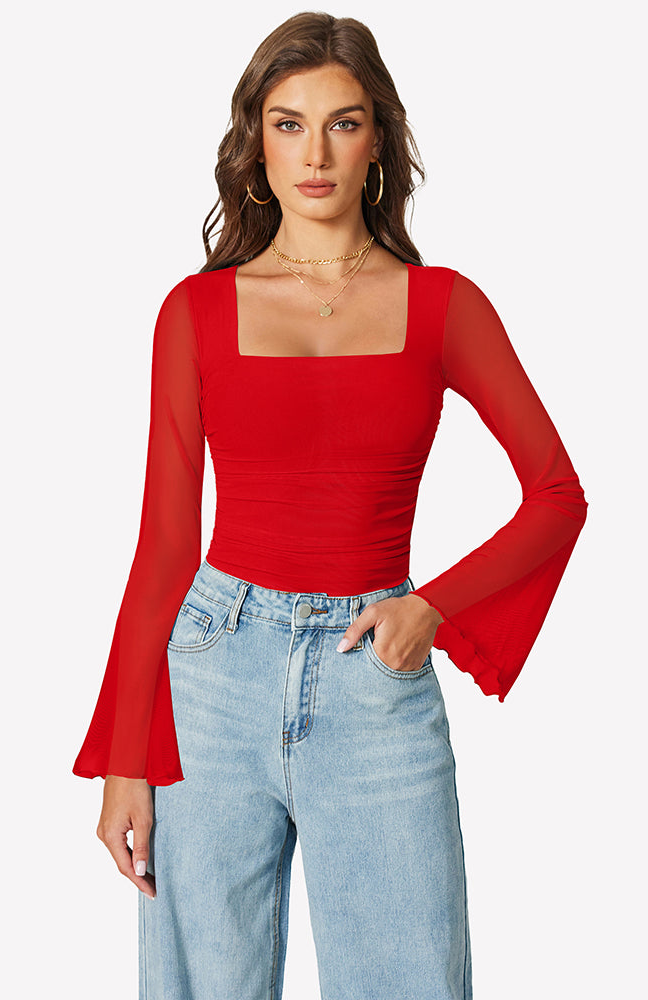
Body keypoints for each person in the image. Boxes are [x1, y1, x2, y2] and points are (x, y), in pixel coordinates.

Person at [72, 11, 588, 1000]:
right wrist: (126, 756)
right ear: (256, 144)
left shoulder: (444, 306)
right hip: (212, 678)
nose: (315, 154)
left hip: (373, 680)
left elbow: (557, 497)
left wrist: (431, 607)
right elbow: (166, 543)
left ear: (377, 143)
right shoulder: (195, 311)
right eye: (288, 124)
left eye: (342, 124)